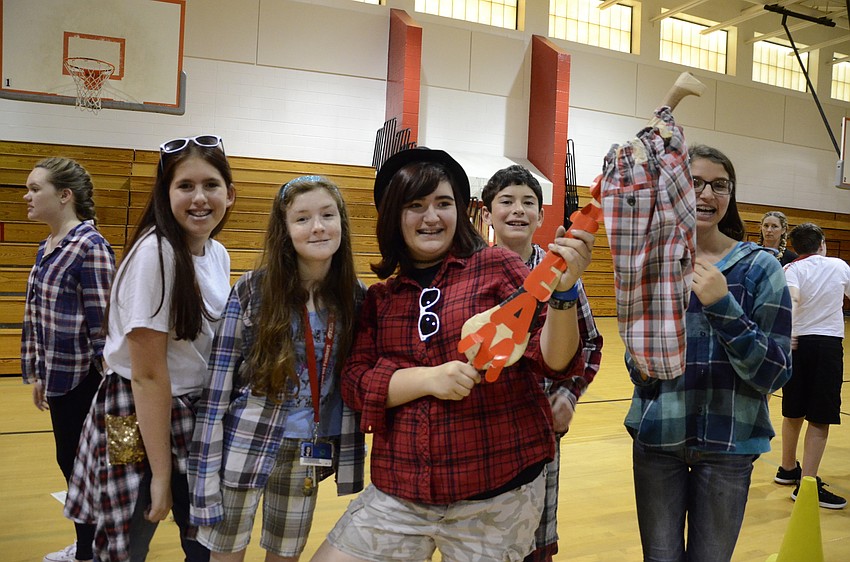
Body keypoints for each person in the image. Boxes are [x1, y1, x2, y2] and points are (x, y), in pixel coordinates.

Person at [310, 147, 595, 562]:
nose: (431, 217)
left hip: (497, 493)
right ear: (394, 216)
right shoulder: (381, 299)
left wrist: (564, 295)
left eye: (443, 204)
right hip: (401, 493)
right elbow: (355, 381)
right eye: (415, 205)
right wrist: (428, 380)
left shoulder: (497, 266)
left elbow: (552, 359)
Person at [64, 134, 236, 562]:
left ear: (230, 194)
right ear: (166, 192)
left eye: (211, 185)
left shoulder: (217, 254)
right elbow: (146, 374)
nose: (200, 198)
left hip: (191, 412)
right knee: (127, 535)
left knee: (203, 540)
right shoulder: (155, 254)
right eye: (185, 186)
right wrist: (160, 474)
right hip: (134, 413)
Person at [624, 143, 792, 561]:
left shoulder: (759, 268)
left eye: (719, 186)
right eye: (693, 183)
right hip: (659, 437)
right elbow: (638, 370)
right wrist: (644, 358)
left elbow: (774, 372)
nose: (706, 195)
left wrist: (723, 306)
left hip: (729, 444)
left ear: (730, 196)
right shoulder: (654, 264)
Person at [188, 175, 366, 561]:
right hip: (246, 441)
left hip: (307, 449)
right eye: (302, 219)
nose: (317, 226)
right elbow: (217, 386)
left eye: (327, 215)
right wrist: (203, 468)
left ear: (342, 224)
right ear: (285, 231)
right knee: (226, 552)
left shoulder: (355, 297)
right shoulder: (253, 289)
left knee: (286, 555)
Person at [481, 164, 602, 562]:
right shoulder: (469, 271)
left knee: (536, 535)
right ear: (488, 212)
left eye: (528, 202)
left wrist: (569, 395)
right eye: (506, 201)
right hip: (481, 428)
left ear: (540, 214)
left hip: (539, 428)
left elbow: (590, 346)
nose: (517, 210)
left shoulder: (562, 274)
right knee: (480, 537)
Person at [21, 157, 116, 562]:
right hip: (60, 379)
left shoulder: (90, 248)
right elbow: (38, 319)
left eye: (35, 188)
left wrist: (110, 391)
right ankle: (89, 545)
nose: (27, 196)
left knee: (91, 469)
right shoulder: (48, 246)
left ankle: (92, 551)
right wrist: (39, 371)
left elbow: (106, 328)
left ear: (64, 195)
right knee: (72, 464)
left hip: (88, 383)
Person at [775, 222, 849, 510]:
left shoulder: (790, 269)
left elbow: (790, 298)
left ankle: (786, 468)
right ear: (822, 243)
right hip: (826, 345)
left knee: (793, 410)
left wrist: (788, 329)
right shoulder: (838, 265)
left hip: (796, 345)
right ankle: (807, 486)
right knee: (820, 417)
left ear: (795, 247)